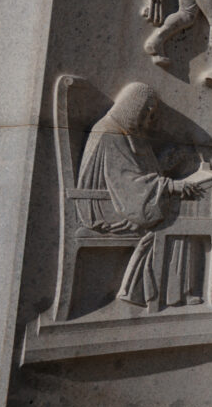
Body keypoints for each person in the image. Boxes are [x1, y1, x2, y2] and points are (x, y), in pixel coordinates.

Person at [76, 83, 204, 306]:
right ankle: (151, 292)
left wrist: (168, 163)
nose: (148, 120)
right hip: (105, 207)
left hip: (121, 199)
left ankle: (164, 291)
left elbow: (137, 175)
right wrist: (170, 186)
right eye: (145, 113)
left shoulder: (122, 131)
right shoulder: (110, 133)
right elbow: (127, 182)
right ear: (133, 106)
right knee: (180, 220)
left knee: (180, 213)